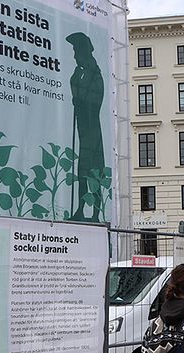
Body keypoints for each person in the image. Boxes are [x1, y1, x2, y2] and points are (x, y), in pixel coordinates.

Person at [65, 32, 105, 222]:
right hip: (84, 132)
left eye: (76, 50)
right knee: (82, 171)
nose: (73, 55)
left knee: (93, 172)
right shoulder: (79, 72)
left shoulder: (94, 74)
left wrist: (80, 99)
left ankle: (95, 214)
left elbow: (95, 100)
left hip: (92, 132)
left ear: (83, 51)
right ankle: (80, 210)